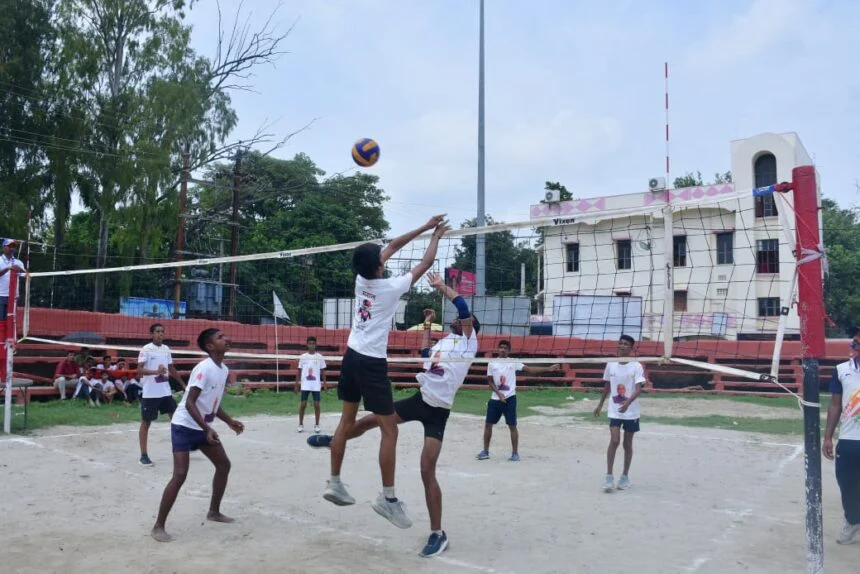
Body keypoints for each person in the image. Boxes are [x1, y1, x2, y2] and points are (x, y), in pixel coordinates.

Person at [310, 271, 478, 557]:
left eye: (463, 321)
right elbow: (426, 352)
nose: (458, 321)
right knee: (370, 420)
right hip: (421, 399)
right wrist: (426, 324)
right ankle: (337, 439)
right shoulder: (445, 342)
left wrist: (441, 287)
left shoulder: (468, 341)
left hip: (439, 412)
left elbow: (462, 308)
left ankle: (438, 533)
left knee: (427, 470)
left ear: (471, 326)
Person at [325, 214, 448, 530]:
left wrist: (422, 227)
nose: (385, 255)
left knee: (345, 421)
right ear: (378, 265)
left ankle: (334, 482)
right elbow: (426, 262)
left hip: (351, 356)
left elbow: (392, 245)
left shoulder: (360, 280)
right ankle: (388, 499)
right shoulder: (391, 288)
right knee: (389, 428)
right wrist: (434, 234)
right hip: (371, 363)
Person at [150, 328, 244, 543]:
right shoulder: (204, 368)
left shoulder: (223, 370)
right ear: (210, 346)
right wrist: (207, 428)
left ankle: (213, 512)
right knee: (180, 474)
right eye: (220, 337)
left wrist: (230, 422)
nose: (226, 338)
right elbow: (190, 402)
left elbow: (213, 403)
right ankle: (158, 526)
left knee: (224, 465)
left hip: (202, 428)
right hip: (184, 426)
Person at [476, 340, 561, 461]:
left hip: (510, 398)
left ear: (509, 350)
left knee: (512, 426)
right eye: (501, 348)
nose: (502, 350)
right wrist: (499, 393)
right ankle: (485, 451)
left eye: (505, 348)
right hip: (495, 399)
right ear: (498, 349)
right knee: (488, 425)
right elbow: (489, 381)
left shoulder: (513, 362)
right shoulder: (492, 363)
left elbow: (530, 370)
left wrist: (549, 368)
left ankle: (515, 453)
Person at [592, 334, 646, 492]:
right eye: (620, 343)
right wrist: (600, 404)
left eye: (626, 344)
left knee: (627, 444)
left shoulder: (636, 366)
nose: (622, 346)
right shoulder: (611, 364)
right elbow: (607, 386)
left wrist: (628, 403)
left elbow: (638, 389)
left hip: (631, 411)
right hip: (615, 410)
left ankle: (625, 476)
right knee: (614, 440)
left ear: (631, 348)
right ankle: (609, 476)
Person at [823, 330, 860, 545]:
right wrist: (828, 437)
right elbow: (835, 404)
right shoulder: (841, 370)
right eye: (853, 342)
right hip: (848, 440)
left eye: (856, 344)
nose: (852, 346)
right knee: (847, 485)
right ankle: (853, 520)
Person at [137, 323, 185, 466]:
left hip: (165, 391)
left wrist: (183, 385)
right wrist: (155, 372)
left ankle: (181, 447)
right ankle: (143, 455)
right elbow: (139, 370)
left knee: (176, 419)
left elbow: (171, 368)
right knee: (146, 423)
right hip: (150, 393)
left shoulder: (166, 349)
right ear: (152, 334)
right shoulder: (146, 349)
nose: (160, 334)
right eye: (157, 331)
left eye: (162, 331)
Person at [295, 336, 327, 434]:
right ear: (307, 344)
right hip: (305, 384)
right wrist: (296, 384)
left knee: (316, 404)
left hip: (316, 384)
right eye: (310, 343)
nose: (312, 345)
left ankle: (317, 425)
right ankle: (300, 424)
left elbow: (323, 371)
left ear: (315, 344)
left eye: (313, 343)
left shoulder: (320, 357)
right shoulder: (303, 357)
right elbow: (299, 371)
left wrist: (325, 384)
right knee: (303, 404)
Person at [0, 239, 28, 319]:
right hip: (1, 295)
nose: (12, 248)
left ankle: (11, 332)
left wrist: (22, 270)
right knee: (1, 320)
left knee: (11, 320)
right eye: (9, 246)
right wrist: (8, 268)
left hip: (13, 296)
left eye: (13, 246)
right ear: (4, 247)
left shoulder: (18, 262)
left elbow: (27, 276)